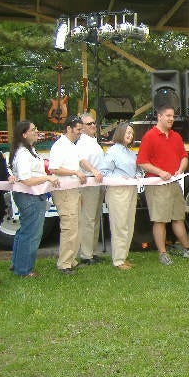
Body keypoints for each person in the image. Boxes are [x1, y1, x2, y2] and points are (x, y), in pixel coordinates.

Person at [137, 104, 189, 266]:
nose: (171, 119)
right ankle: (162, 253)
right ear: (159, 116)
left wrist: (181, 168)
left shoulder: (176, 136)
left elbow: (184, 157)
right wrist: (160, 172)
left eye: (173, 116)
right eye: (168, 116)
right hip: (156, 185)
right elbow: (142, 162)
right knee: (160, 220)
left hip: (174, 183)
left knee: (178, 217)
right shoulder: (149, 136)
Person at [9, 121, 59, 277]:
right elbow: (26, 179)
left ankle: (17, 265)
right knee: (32, 234)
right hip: (29, 196)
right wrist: (47, 178)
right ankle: (24, 269)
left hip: (30, 196)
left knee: (25, 231)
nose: (37, 131)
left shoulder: (29, 150)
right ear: (24, 134)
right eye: (34, 129)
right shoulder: (23, 154)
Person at [48, 116, 92, 274]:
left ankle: (71, 259)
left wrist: (93, 171)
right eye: (78, 129)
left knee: (77, 225)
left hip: (74, 190)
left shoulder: (73, 146)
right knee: (69, 227)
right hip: (64, 191)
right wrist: (74, 172)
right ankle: (64, 263)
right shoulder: (59, 146)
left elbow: (82, 160)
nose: (81, 132)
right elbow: (54, 169)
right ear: (69, 128)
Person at [101, 122, 139, 270]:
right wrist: (118, 179)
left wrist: (137, 175)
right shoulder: (113, 151)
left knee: (129, 224)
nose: (129, 135)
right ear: (120, 133)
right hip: (117, 191)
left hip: (131, 190)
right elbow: (104, 171)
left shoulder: (130, 152)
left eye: (131, 133)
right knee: (120, 225)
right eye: (127, 132)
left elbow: (138, 169)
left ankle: (123, 256)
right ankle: (118, 260)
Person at [75, 112, 105, 265]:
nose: (93, 125)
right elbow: (81, 160)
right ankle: (86, 254)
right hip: (89, 183)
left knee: (95, 218)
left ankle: (92, 251)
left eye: (94, 123)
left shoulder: (94, 141)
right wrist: (93, 170)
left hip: (98, 182)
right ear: (82, 127)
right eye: (89, 124)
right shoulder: (82, 142)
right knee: (88, 219)